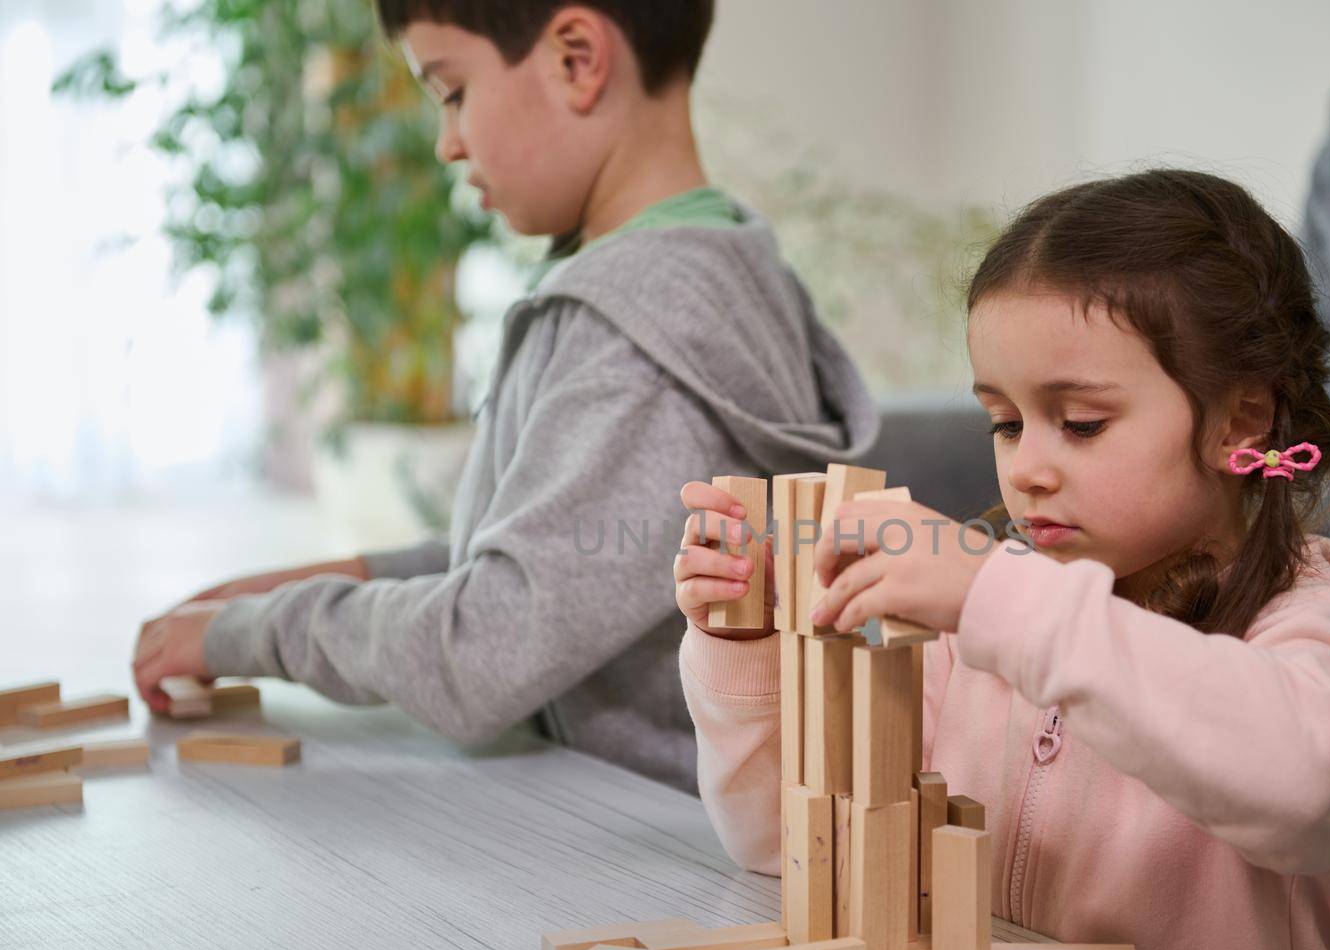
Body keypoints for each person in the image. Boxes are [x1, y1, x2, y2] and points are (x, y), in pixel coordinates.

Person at [675, 170, 1330, 950]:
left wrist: (996, 598)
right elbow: (792, 850)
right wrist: (744, 646)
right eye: (1007, 423)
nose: (1028, 469)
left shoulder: (1304, 611)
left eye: (1081, 423)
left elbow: (1307, 784)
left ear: (1239, 423)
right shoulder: (968, 635)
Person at [132, 0, 878, 793]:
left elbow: (484, 651)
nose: (447, 142)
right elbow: (546, 550)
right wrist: (313, 584)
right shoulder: (700, 270)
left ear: (577, 59)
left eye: (451, 92)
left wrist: (256, 633)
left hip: (660, 852)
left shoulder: (639, 344)